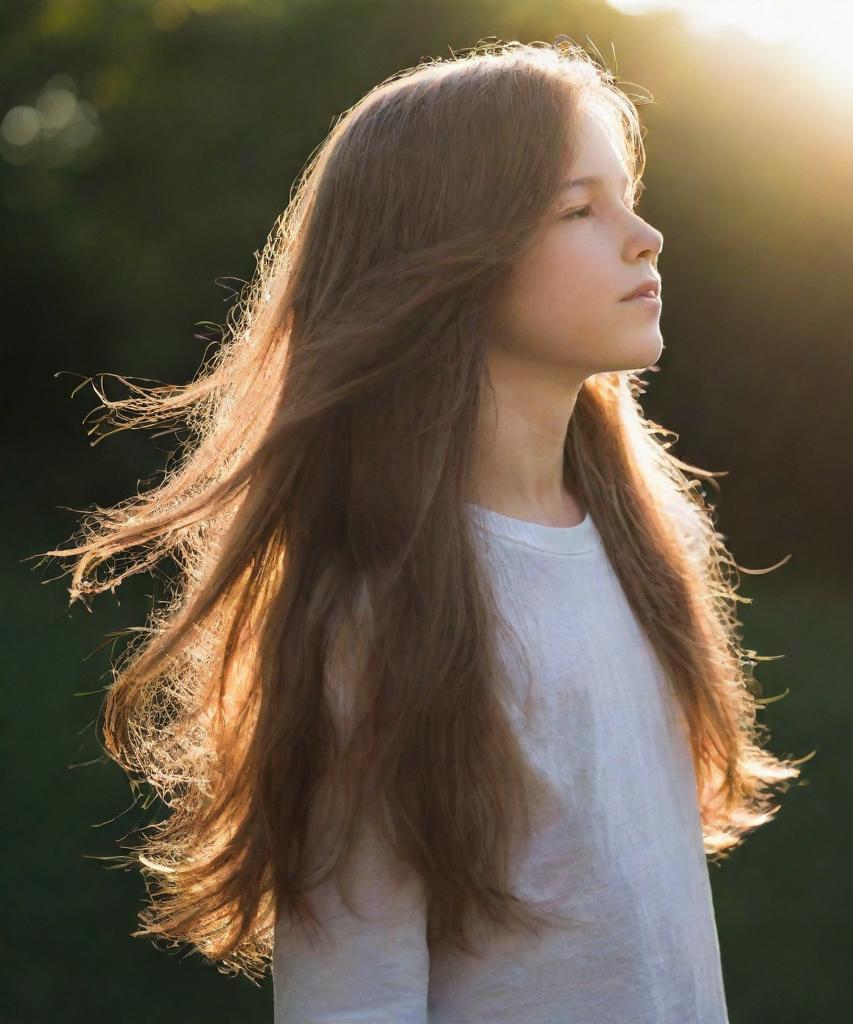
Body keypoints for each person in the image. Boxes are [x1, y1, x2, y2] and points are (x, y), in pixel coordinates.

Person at [34, 36, 805, 1023]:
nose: (644, 234)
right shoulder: (381, 612)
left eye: (626, 194)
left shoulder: (646, 549)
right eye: (579, 208)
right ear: (448, 260)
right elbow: (352, 999)